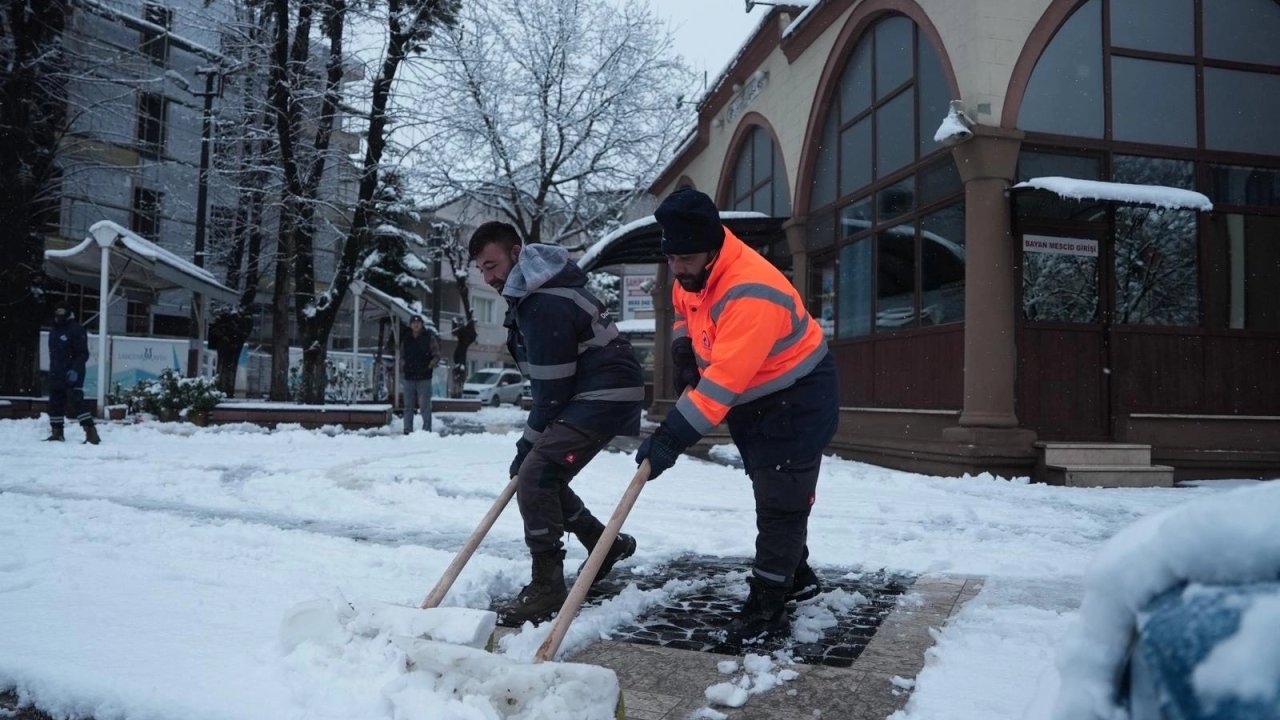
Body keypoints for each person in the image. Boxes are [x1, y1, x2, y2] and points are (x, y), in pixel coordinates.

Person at [636, 187, 838, 645]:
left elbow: (720, 388)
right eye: (671, 258)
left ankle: (767, 604)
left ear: (712, 249)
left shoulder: (751, 290)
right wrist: (683, 350)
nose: (677, 268)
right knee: (772, 489)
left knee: (780, 500)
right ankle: (798, 576)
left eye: (686, 258)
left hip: (799, 398)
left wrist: (669, 439)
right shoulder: (691, 272)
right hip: (758, 398)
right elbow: (685, 314)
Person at [469, 221, 645, 625]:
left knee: (535, 475)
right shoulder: (539, 290)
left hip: (602, 394)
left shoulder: (543, 300)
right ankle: (606, 544)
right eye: (481, 270)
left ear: (516, 254)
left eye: (492, 265)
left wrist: (526, 445)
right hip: (592, 391)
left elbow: (550, 392)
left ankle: (547, 585)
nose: (489, 277)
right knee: (541, 475)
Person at [45, 303, 101, 445]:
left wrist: (75, 369)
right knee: (55, 403)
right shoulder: (54, 330)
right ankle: (57, 432)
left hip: (72, 373)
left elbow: (83, 354)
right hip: (56, 372)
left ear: (68, 313)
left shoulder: (76, 329)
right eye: (57, 312)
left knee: (77, 402)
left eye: (62, 312)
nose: (59, 315)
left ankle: (90, 432)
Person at [400, 314, 440, 433]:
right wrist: (403, 365)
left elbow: (437, 355)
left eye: (418, 323)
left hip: (424, 376)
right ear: (410, 325)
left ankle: (426, 430)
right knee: (408, 406)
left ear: (422, 324)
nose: (416, 325)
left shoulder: (429, 338)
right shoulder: (406, 339)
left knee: (425, 406)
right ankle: (407, 429)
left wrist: (430, 364)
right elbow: (401, 356)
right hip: (409, 376)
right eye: (413, 323)